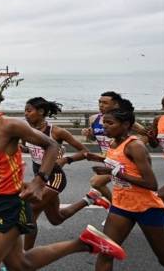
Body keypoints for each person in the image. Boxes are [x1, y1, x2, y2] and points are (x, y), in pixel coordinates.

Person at [0, 76, 125, 271]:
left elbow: (52, 146)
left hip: (9, 204)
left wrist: (39, 181)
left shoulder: (7, 125)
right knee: (21, 264)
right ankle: (84, 243)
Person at [22, 97, 111, 250]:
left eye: (29, 111)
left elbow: (85, 152)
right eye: (25, 111)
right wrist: (20, 148)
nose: (25, 114)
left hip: (55, 178)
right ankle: (90, 198)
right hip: (39, 178)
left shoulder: (56, 132)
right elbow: (27, 148)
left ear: (41, 112)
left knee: (31, 210)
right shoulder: (26, 131)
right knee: (56, 219)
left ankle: (24, 258)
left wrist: (66, 159)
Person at [91, 98, 164, 270]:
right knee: (105, 253)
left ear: (126, 124)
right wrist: (96, 158)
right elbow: (119, 162)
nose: (105, 127)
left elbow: (151, 183)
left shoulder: (135, 146)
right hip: (120, 206)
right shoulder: (113, 143)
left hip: (147, 208)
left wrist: (114, 173)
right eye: (104, 124)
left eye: (110, 123)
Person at [82, 91, 148, 201]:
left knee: (96, 182)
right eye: (99, 102)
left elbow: (147, 134)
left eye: (105, 103)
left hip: (121, 162)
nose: (101, 105)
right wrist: (89, 135)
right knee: (102, 184)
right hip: (107, 159)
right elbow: (95, 138)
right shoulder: (94, 119)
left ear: (115, 105)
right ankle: (118, 208)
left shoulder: (123, 120)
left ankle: (117, 207)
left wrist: (130, 149)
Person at [147, 93, 164, 205]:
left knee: (155, 201)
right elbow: (154, 145)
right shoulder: (159, 120)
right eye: (163, 105)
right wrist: (151, 138)